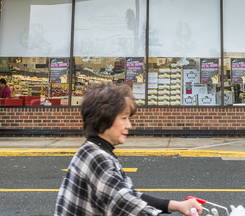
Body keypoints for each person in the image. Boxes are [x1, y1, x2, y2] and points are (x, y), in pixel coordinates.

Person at [55, 82, 202, 216]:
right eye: (124, 118)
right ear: (102, 121)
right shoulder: (97, 158)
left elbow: (129, 195)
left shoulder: (92, 150)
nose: (129, 125)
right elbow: (128, 206)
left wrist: (176, 205)